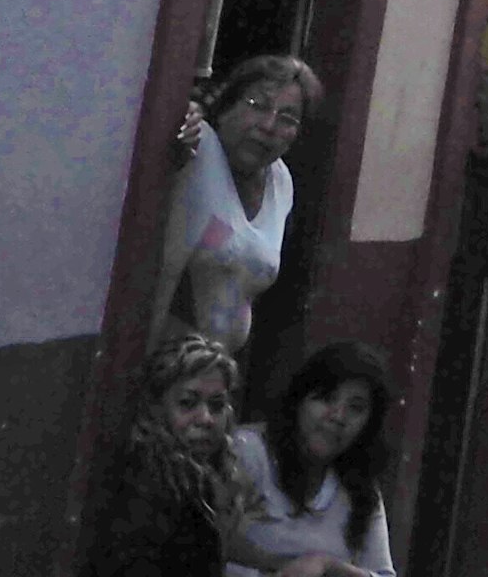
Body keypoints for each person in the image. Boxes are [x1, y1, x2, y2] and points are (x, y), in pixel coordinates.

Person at [158, 55, 323, 349]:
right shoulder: (199, 149)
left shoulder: (280, 182)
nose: (269, 125)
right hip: (164, 362)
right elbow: (173, 121)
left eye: (288, 118)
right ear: (226, 108)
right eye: (256, 106)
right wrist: (186, 116)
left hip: (213, 373)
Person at [227, 338, 396, 576]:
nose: (338, 416)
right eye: (327, 398)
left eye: (355, 408)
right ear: (299, 399)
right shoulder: (248, 452)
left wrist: (326, 566)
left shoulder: (360, 488)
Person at [91, 333, 250, 577]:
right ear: (156, 407)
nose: (206, 419)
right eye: (188, 403)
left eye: (217, 405)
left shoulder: (205, 477)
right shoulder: (149, 481)